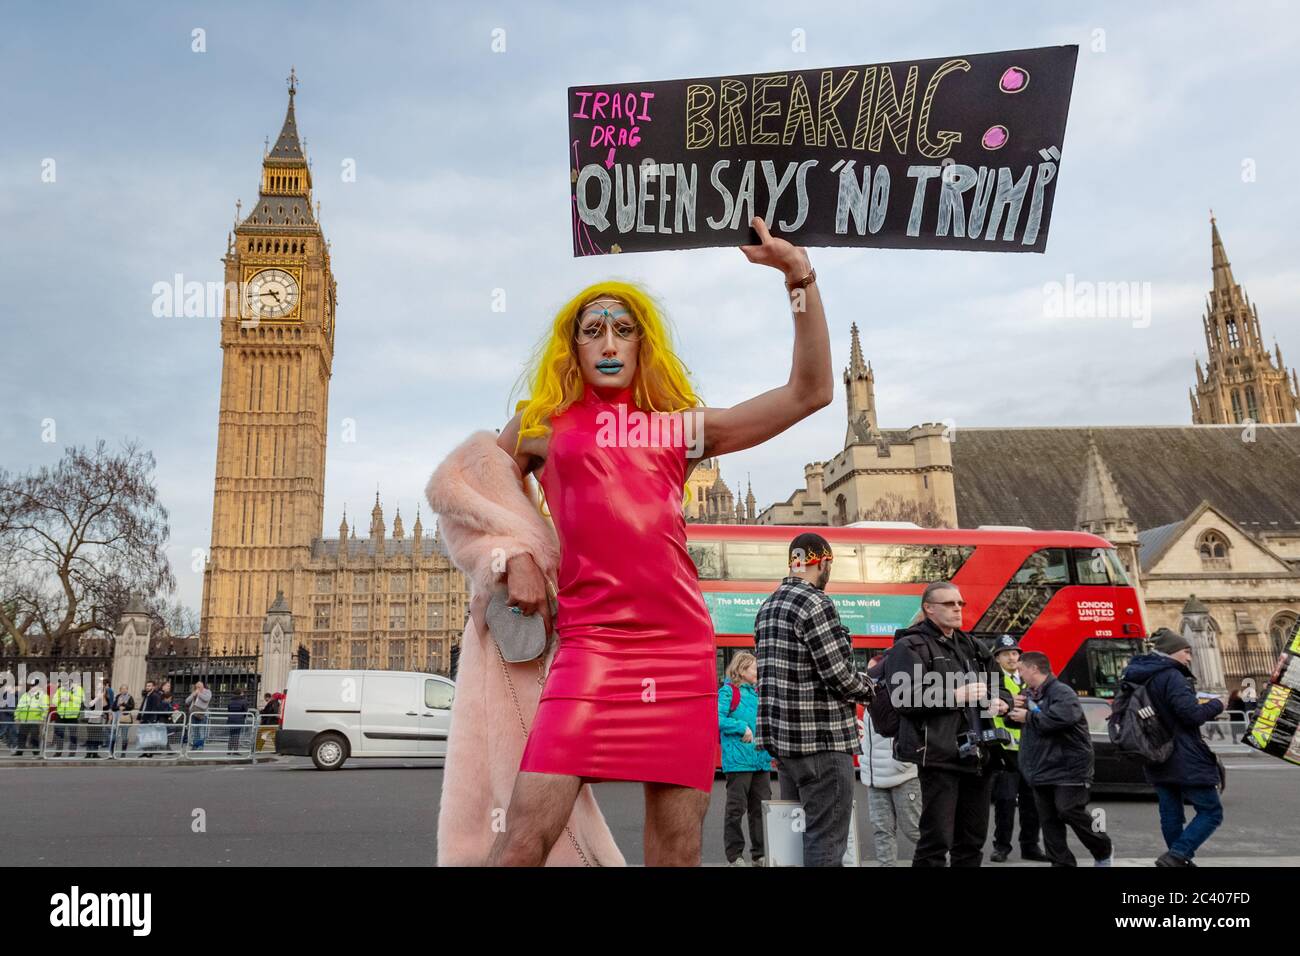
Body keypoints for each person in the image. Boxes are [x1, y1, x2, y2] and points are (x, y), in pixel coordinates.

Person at [428, 216, 833, 867]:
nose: (609, 341)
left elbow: (809, 392)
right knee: (524, 838)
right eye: (593, 330)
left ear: (644, 345)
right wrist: (516, 555)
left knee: (675, 853)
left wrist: (798, 276)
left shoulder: (679, 431)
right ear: (574, 348)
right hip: (591, 649)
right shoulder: (542, 428)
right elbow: (474, 499)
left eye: (624, 328)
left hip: (678, 653)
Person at [754, 533, 876, 867]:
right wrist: (869, 688)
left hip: (786, 745)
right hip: (822, 741)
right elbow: (838, 674)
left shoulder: (769, 605)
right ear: (821, 562)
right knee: (826, 842)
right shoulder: (816, 603)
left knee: (798, 840)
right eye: (829, 566)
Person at [883, 581, 1012, 867]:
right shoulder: (909, 646)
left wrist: (1002, 702)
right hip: (939, 754)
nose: (957, 609)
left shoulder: (972, 645)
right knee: (936, 840)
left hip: (979, 753)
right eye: (949, 604)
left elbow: (999, 684)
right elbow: (903, 697)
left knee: (972, 841)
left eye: (960, 604)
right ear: (929, 609)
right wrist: (955, 695)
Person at [1119, 628, 1226, 867]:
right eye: (1186, 652)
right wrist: (1217, 705)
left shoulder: (1139, 675)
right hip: (1183, 754)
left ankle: (1177, 860)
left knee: (1171, 813)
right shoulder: (1171, 676)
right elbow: (1191, 715)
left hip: (1155, 751)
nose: (1189, 658)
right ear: (1171, 652)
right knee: (1211, 811)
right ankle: (1178, 855)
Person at [1009, 651, 1113, 867]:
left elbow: (1060, 719)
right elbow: (1017, 722)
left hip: (1069, 766)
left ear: (1034, 669)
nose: (1018, 674)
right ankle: (1061, 864)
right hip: (1040, 767)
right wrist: (1010, 710)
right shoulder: (1028, 693)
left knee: (1068, 810)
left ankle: (1103, 848)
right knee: (1049, 821)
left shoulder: (1062, 692)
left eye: (1021, 669)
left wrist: (1028, 715)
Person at [987, 635, 1047, 863]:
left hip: (1031, 751)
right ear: (998, 658)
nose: (1012, 657)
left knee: (1032, 803)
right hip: (1006, 752)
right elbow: (986, 712)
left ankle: (1030, 846)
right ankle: (1002, 846)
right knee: (1005, 802)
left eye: (1015, 653)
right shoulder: (993, 681)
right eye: (1006, 653)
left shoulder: (1029, 678)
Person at [860, 656, 921, 866]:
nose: (870, 677)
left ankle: (935, 861)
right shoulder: (868, 699)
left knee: (914, 828)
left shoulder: (898, 696)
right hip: (874, 778)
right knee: (881, 830)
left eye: (874, 672)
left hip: (902, 774)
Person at [717, 651, 773, 867]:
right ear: (741, 670)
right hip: (739, 761)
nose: (757, 671)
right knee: (736, 809)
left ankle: (758, 855)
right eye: (753, 668)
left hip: (760, 760)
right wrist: (741, 727)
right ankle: (735, 855)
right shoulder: (729, 692)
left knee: (759, 810)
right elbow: (716, 718)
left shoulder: (758, 694)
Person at [13, 677, 48, 756]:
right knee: (21, 735)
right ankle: (19, 751)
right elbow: (19, 707)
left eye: (34, 685)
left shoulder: (43, 695)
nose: (32, 687)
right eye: (31, 685)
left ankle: (36, 751)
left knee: (34, 736)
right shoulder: (25, 695)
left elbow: (45, 708)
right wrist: (16, 717)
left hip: (35, 720)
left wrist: (42, 719)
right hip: (24, 720)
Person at [50, 678, 85, 757]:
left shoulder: (78, 689)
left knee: (72, 734)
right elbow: (53, 701)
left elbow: (81, 700)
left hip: (72, 715)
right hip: (61, 715)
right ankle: (58, 751)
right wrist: (60, 699)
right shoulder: (60, 690)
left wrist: (70, 698)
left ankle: (72, 752)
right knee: (59, 734)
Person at [84, 683, 111, 757]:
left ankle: (95, 753)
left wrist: (102, 697)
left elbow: (106, 707)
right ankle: (88, 753)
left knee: (97, 737)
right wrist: (97, 698)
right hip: (92, 720)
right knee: (90, 737)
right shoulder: (93, 697)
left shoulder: (106, 698)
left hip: (99, 720)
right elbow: (91, 706)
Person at [186, 681, 212, 751]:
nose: (197, 688)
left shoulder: (207, 692)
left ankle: (200, 746)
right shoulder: (194, 692)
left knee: (201, 730)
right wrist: (193, 695)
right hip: (193, 713)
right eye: (196, 687)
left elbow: (206, 699)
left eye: (199, 687)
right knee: (194, 730)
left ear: (202, 686)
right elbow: (187, 701)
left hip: (202, 714)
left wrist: (199, 694)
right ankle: (195, 745)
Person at [110, 684, 135, 755]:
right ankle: (112, 752)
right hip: (116, 719)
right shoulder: (117, 696)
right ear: (120, 690)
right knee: (114, 736)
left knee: (124, 736)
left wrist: (124, 705)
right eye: (122, 689)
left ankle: (123, 753)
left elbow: (132, 706)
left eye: (125, 689)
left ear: (127, 690)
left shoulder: (130, 697)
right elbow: (113, 707)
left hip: (125, 720)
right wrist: (118, 708)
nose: (123, 690)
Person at [226, 686, 250, 753]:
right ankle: (235, 750)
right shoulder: (243, 700)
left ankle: (229, 750)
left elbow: (228, 709)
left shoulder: (230, 700)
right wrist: (243, 717)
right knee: (237, 734)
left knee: (231, 734)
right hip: (239, 719)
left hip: (231, 718)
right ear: (240, 693)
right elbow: (245, 710)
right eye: (242, 692)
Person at [0, 678, 16, 751]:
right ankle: (13, 746)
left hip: (9, 715)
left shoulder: (12, 695)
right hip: (5, 715)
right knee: (4, 731)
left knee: (11, 731)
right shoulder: (5, 694)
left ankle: (13, 746)